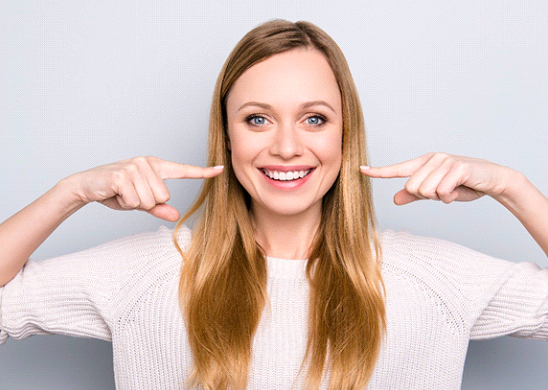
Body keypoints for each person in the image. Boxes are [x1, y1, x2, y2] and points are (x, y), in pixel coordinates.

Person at [0, 19, 547, 390]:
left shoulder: (432, 278)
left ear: (344, 134)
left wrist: (514, 188)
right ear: (228, 136)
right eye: (257, 118)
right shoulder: (146, 272)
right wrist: (71, 192)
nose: (287, 146)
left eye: (314, 118)